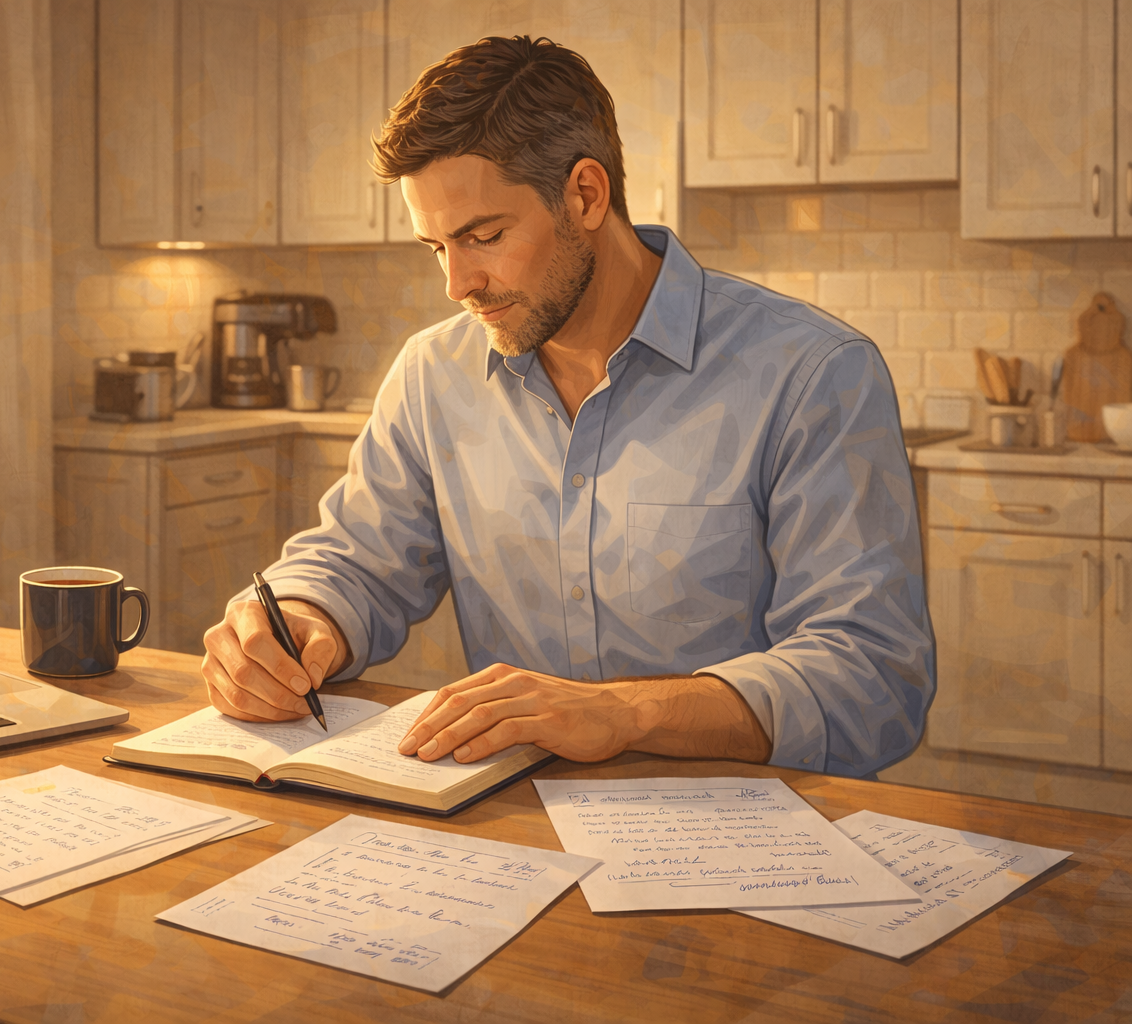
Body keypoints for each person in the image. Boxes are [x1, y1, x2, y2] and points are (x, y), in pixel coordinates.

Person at [200, 35, 935, 779]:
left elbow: (872, 678)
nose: (456, 284)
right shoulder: (433, 374)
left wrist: (623, 713)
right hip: (512, 823)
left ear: (586, 195)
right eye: (434, 248)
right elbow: (359, 563)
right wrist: (300, 618)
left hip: (755, 837)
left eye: (482, 237)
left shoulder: (811, 374)